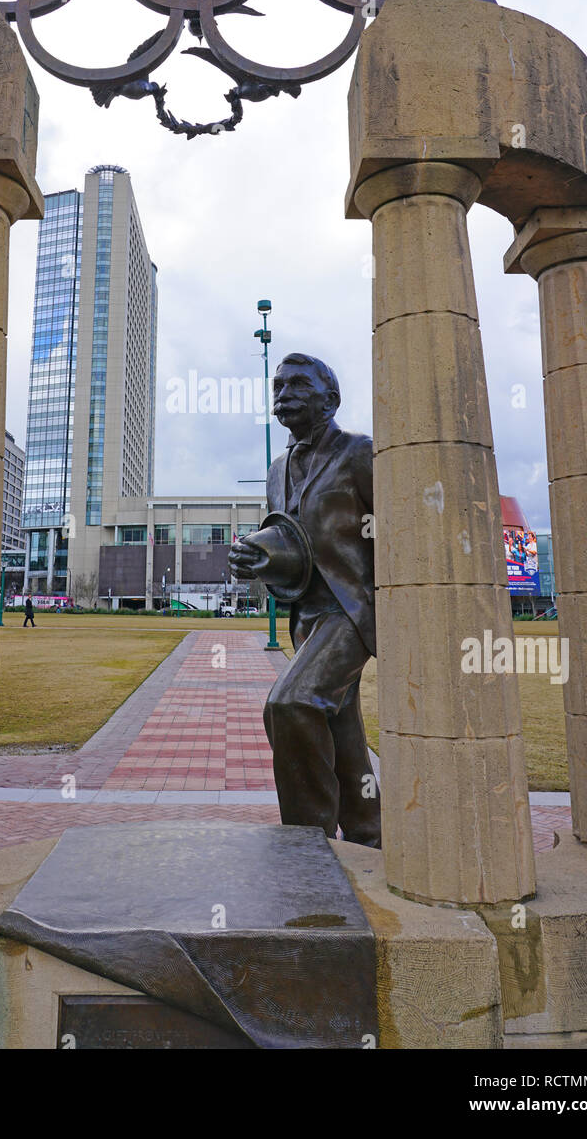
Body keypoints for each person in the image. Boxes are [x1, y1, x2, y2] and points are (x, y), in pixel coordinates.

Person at [228, 352, 380, 847]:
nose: (283, 395)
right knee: (342, 731)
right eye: (278, 386)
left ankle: (306, 840)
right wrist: (258, 557)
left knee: (291, 703)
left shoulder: (360, 453)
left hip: (352, 611)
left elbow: (397, 530)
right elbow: (291, 538)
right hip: (305, 614)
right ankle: (368, 833)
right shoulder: (276, 469)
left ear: (330, 401)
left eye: (297, 385)